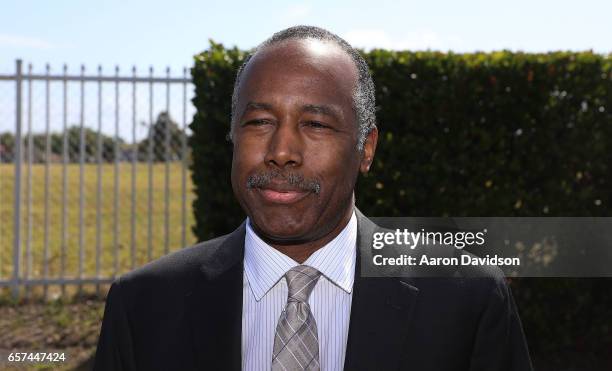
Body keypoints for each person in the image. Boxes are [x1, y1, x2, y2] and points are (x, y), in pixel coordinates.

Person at [94, 25, 533, 371]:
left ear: (366, 149)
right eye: (260, 122)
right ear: (232, 136)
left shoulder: (467, 301)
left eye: (316, 124)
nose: (282, 151)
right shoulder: (144, 307)